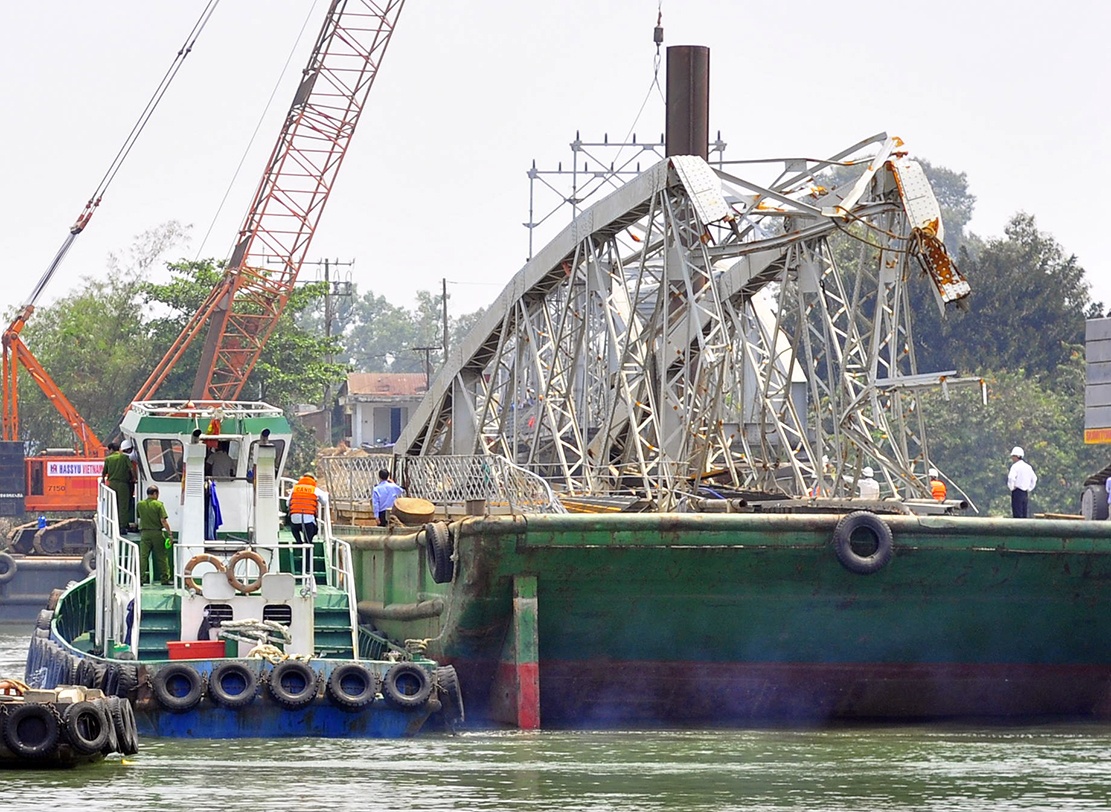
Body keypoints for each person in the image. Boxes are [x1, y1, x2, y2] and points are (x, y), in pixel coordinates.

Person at [136, 485, 172, 585]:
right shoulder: (159, 505)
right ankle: (165, 579)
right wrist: (170, 534)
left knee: (143, 557)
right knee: (162, 557)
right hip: (157, 533)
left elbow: (139, 517)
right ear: (155, 493)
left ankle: (140, 579)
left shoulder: (140, 504)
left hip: (144, 534)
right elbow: (163, 521)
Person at [102, 441, 134, 534]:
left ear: (111, 449)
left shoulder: (108, 459)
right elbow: (131, 469)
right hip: (123, 484)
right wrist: (134, 478)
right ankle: (122, 526)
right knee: (123, 506)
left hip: (111, 484)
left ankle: (112, 525)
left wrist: (103, 480)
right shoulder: (124, 457)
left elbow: (104, 471)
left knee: (113, 505)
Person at [288, 473, 328, 545]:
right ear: (313, 480)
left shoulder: (295, 489)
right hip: (308, 522)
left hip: (295, 522)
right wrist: (326, 494)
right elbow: (324, 502)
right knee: (314, 531)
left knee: (294, 525)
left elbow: (287, 503)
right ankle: (308, 548)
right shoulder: (315, 489)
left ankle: (299, 542)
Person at [1007, 446, 1037, 518]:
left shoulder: (1015, 467)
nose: (1012, 458)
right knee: (1024, 514)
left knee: (1017, 514)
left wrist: (1012, 488)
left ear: (1017, 456)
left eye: (1013, 456)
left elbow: (1011, 478)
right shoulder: (1028, 467)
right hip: (1025, 493)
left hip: (1017, 491)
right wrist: (1029, 488)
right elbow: (1034, 479)